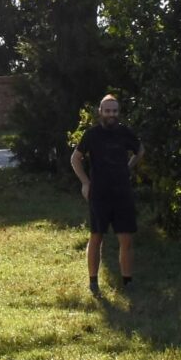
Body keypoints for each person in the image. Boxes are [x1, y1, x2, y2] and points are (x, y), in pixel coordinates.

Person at [71, 94, 141, 295]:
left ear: (118, 112)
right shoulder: (92, 135)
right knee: (96, 237)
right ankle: (93, 283)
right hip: (99, 193)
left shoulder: (125, 133)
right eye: (107, 110)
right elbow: (75, 159)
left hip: (122, 193)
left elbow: (140, 150)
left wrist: (128, 168)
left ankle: (128, 282)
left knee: (126, 240)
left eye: (115, 111)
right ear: (100, 112)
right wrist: (85, 183)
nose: (111, 114)